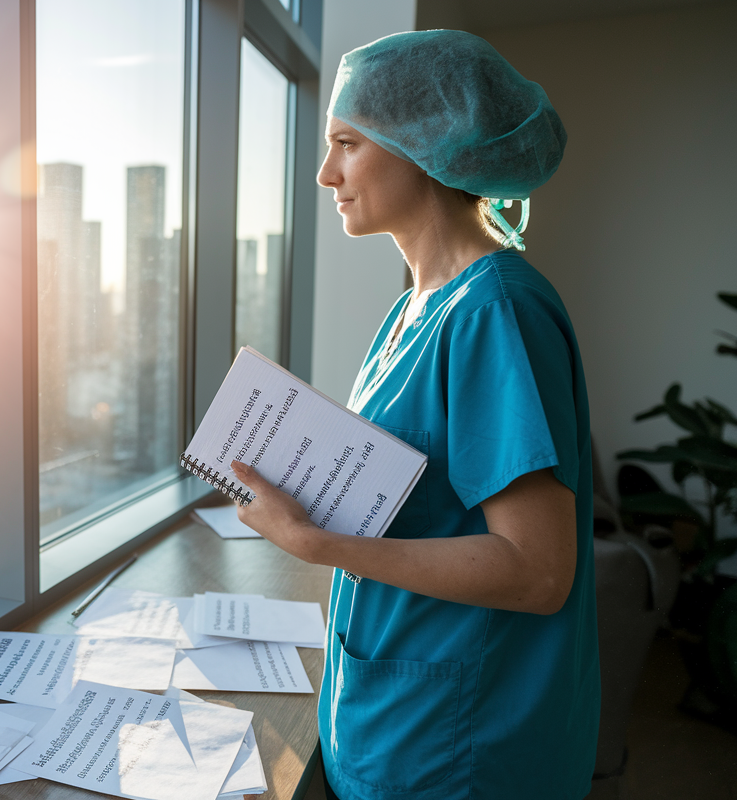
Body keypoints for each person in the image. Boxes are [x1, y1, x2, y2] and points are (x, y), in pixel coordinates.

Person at [229, 30, 599, 799]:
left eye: (346, 143)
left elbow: (537, 572)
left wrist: (313, 540)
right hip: (392, 710)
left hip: (459, 748)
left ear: (424, 146)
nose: (325, 172)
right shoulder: (413, 307)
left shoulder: (495, 310)